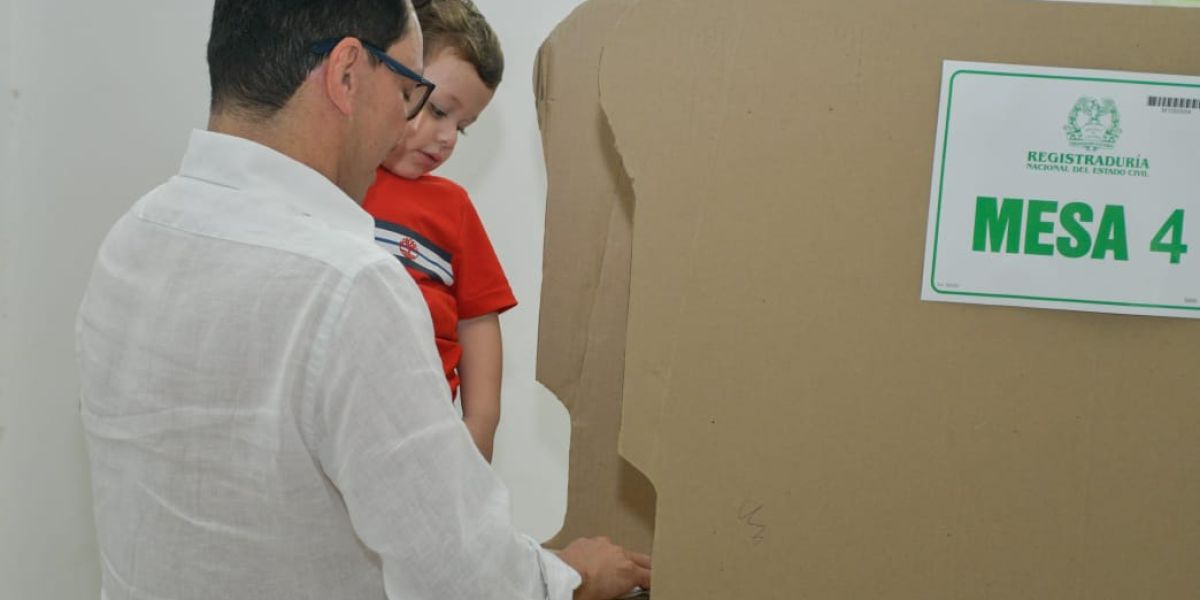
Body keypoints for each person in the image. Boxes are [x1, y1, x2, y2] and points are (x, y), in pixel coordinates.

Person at [74, 1, 651, 598]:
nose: (407, 122)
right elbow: (463, 580)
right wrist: (574, 579)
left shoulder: (131, 240)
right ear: (347, 74)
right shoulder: (348, 288)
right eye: (407, 91)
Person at [365, 0, 510, 462]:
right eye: (440, 110)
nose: (447, 138)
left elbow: (478, 319)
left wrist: (480, 427)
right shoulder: (331, 179)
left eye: (462, 128)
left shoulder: (451, 207)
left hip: (425, 437)